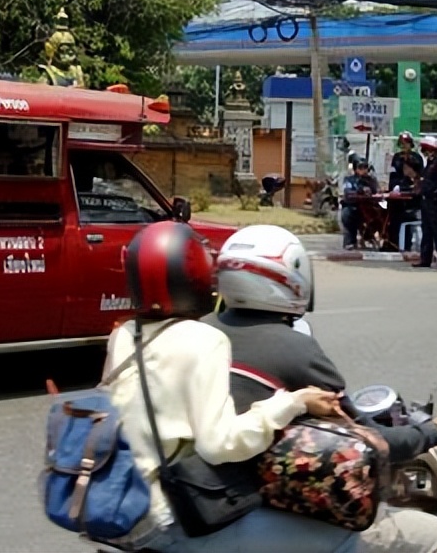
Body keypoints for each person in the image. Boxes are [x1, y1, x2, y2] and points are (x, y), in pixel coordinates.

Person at [104, 221, 355, 553]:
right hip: (165, 520)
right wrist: (294, 402)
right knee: (343, 540)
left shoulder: (123, 335)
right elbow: (220, 444)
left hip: (115, 507)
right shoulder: (204, 338)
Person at [208, 224, 437, 553]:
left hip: (202, 498)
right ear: (290, 277)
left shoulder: (200, 331)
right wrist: (433, 431)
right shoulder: (295, 349)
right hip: (250, 509)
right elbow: (375, 441)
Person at [413, 138, 437, 270]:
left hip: (436, 202)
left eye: (426, 150)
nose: (424, 152)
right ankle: (425, 259)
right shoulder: (430, 164)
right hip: (426, 201)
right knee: (427, 231)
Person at [387, 133, 424, 250]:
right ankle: (392, 243)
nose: (404, 146)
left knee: (404, 216)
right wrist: (395, 187)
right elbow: (393, 175)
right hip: (398, 195)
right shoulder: (396, 158)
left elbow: (419, 179)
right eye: (402, 144)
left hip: (413, 200)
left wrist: (411, 183)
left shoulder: (417, 158)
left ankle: (406, 244)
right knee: (391, 214)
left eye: (406, 143)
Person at [341, 158, 379, 250]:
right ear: (355, 169)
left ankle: (376, 238)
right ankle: (350, 242)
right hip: (354, 206)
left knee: (382, 214)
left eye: (365, 167)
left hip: (369, 207)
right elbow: (347, 191)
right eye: (360, 167)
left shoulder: (371, 180)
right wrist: (360, 190)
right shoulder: (349, 180)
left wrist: (370, 189)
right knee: (347, 214)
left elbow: (376, 191)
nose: (363, 170)